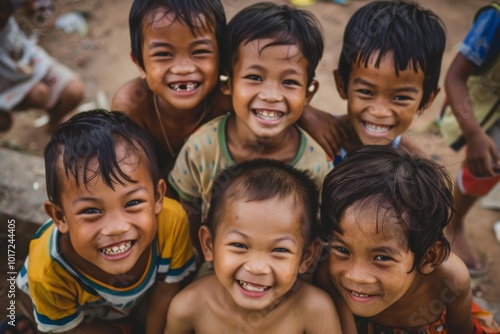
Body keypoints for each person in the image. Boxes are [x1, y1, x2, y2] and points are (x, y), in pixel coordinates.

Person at [111, 0, 343, 181]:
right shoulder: (132, 104)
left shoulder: (226, 99)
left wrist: (306, 112)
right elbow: (134, 175)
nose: (183, 68)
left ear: (221, 59)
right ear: (139, 63)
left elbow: (268, 96)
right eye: (163, 54)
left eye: (200, 51)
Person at [168, 2, 332, 255]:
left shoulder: (315, 164)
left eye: (289, 82)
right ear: (227, 83)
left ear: (309, 93)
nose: (271, 95)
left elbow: (318, 233)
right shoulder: (202, 147)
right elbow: (186, 205)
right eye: (254, 77)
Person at [16, 110, 195, 334]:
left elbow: (164, 292)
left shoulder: (172, 222)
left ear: (158, 197)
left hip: (133, 305)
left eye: (133, 203)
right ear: (60, 217)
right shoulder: (46, 273)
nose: (116, 228)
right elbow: (71, 327)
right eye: (91, 210)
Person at [166, 159, 342, 333]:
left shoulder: (314, 310)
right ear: (209, 244)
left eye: (280, 250)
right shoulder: (189, 307)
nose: (257, 268)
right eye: (239, 245)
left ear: (307, 257)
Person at [318, 145, 481, 333]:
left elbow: (463, 330)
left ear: (429, 257)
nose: (354, 276)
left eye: (381, 257)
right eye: (343, 250)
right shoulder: (328, 278)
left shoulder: (450, 279)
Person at [331, 0, 445, 165]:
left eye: (400, 98)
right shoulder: (312, 138)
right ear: (341, 84)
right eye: (366, 92)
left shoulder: (416, 167)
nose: (380, 112)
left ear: (427, 100)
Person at [439, 1, 500, 277]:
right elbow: (455, 77)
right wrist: (474, 135)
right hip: (486, 116)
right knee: (486, 167)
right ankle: (453, 223)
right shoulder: (494, 20)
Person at [0, 0, 85, 132]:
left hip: (30, 61)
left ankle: (55, 122)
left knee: (75, 90)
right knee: (38, 94)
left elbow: (31, 7)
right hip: (6, 81)